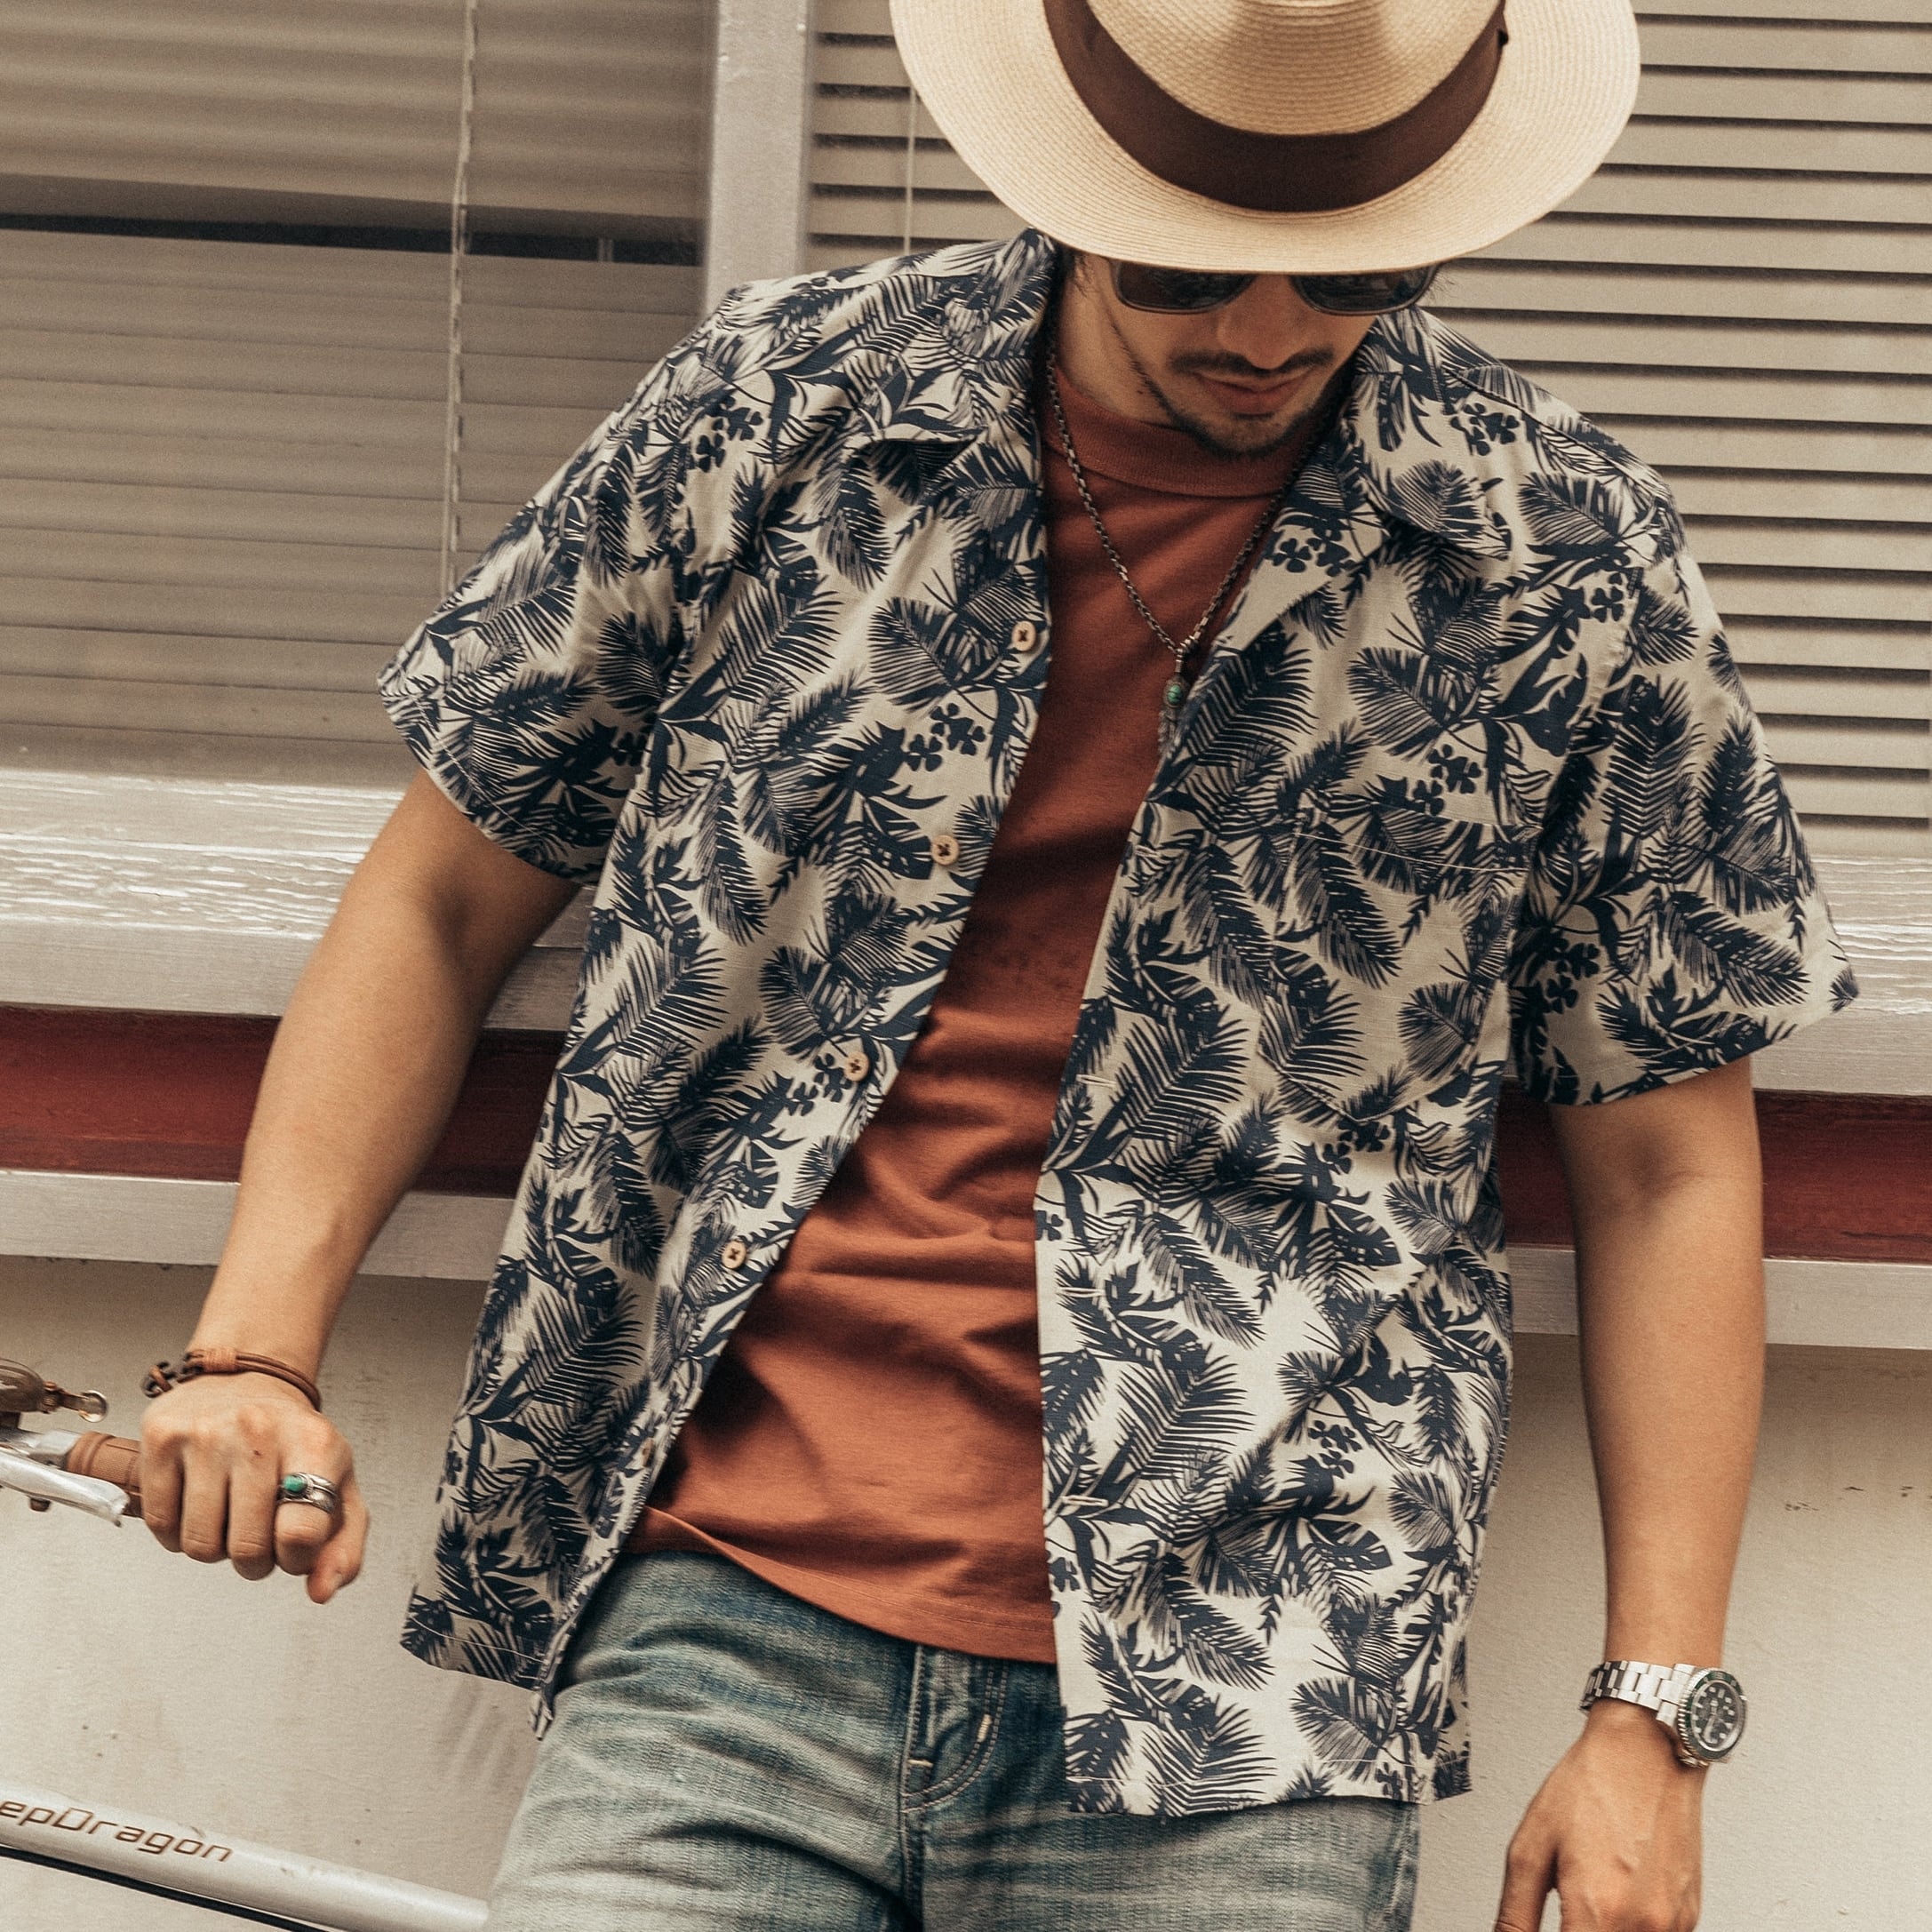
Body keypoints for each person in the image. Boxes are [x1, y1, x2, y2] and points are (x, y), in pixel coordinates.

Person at [137, 1, 1856, 1927]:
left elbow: (1667, 1153)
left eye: (1352, 269)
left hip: (1259, 1668)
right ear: (1075, 180)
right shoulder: (778, 412)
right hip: (725, 1609)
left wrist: (1652, 1716)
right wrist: (255, 1349)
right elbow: (441, 900)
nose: (1267, 329)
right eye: (1189, 264)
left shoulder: (1562, 557)